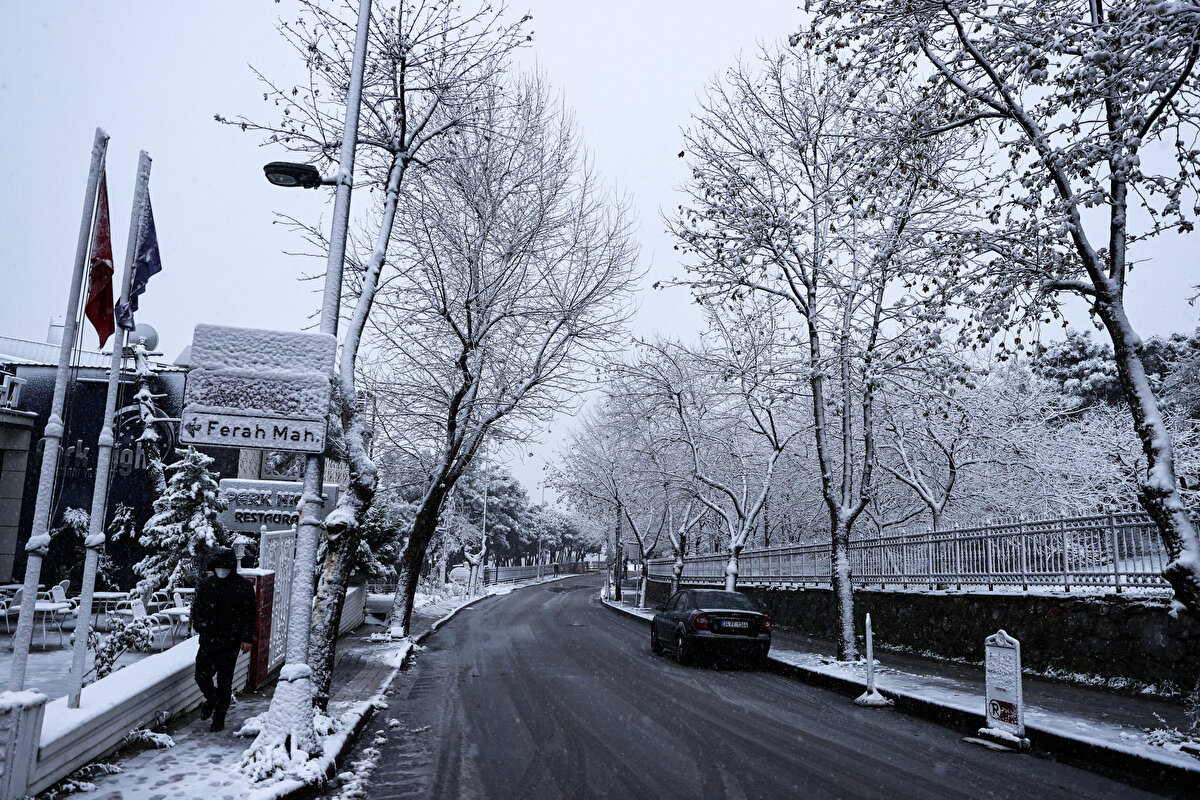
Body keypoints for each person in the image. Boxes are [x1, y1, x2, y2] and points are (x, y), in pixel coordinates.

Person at [191, 548, 256, 732]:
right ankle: (213, 700)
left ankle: (219, 716)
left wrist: (246, 638)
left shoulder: (242, 586)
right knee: (201, 675)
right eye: (217, 566)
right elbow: (197, 609)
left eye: (224, 566)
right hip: (208, 640)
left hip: (230, 642)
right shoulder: (206, 584)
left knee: (225, 680)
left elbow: (249, 614)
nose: (221, 569)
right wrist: (201, 625)